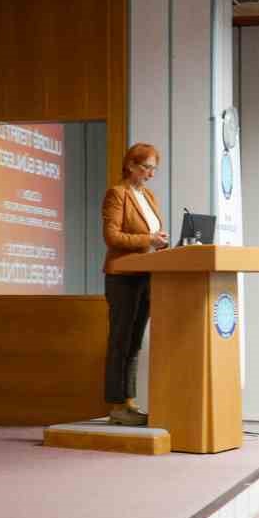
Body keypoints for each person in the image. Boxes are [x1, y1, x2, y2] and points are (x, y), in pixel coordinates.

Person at [100, 143, 168, 426]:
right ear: (130, 165)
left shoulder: (148, 196)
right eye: (146, 168)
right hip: (122, 277)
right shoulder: (118, 194)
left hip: (146, 274)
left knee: (135, 342)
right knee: (121, 340)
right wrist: (148, 240)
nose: (151, 174)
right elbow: (112, 237)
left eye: (153, 168)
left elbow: (151, 236)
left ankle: (129, 402)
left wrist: (161, 242)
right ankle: (117, 406)